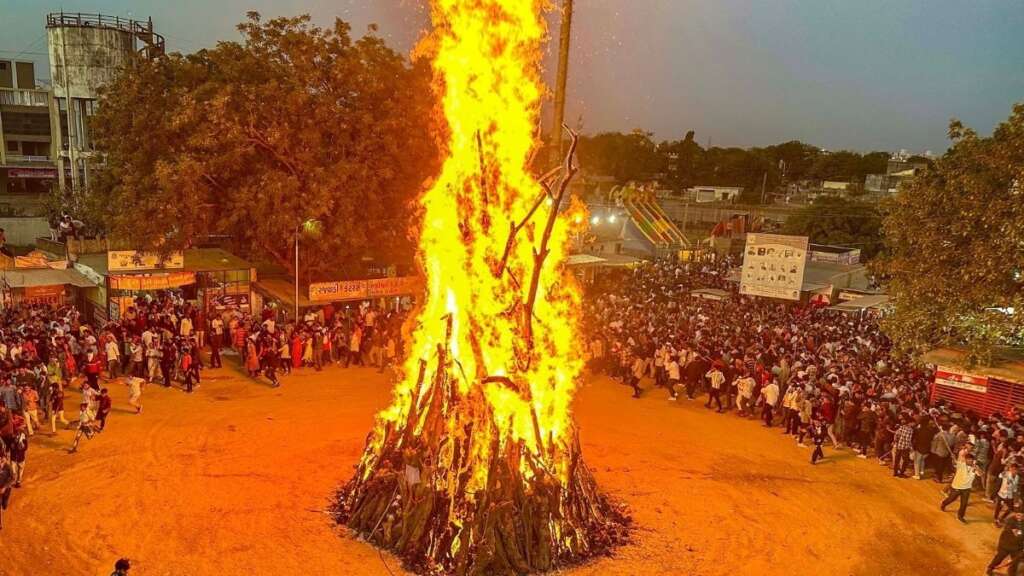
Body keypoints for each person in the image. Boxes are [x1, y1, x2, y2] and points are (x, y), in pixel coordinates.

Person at [940, 447, 984, 523]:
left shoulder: (975, 468)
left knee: (964, 503)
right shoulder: (961, 465)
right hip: (957, 486)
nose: (970, 461)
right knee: (951, 499)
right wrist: (953, 458)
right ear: (966, 460)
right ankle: (944, 503)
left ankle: (960, 516)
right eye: (968, 460)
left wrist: (977, 469)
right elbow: (955, 463)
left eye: (971, 460)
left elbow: (981, 474)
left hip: (966, 488)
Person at [987, 510, 1024, 576]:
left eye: (1022, 516)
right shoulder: (1010, 521)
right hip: (1006, 545)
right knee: (998, 558)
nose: (1020, 517)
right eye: (1018, 515)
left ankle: (1012, 573)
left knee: (1015, 562)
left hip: (1017, 547)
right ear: (1015, 514)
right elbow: (1015, 532)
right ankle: (990, 568)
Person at [0, 449, 15, 529]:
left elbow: (13, 478)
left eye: (2, 458)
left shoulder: (8, 467)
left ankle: (4, 503)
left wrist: (5, 487)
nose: (1, 460)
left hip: (6, 490)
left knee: (4, 505)